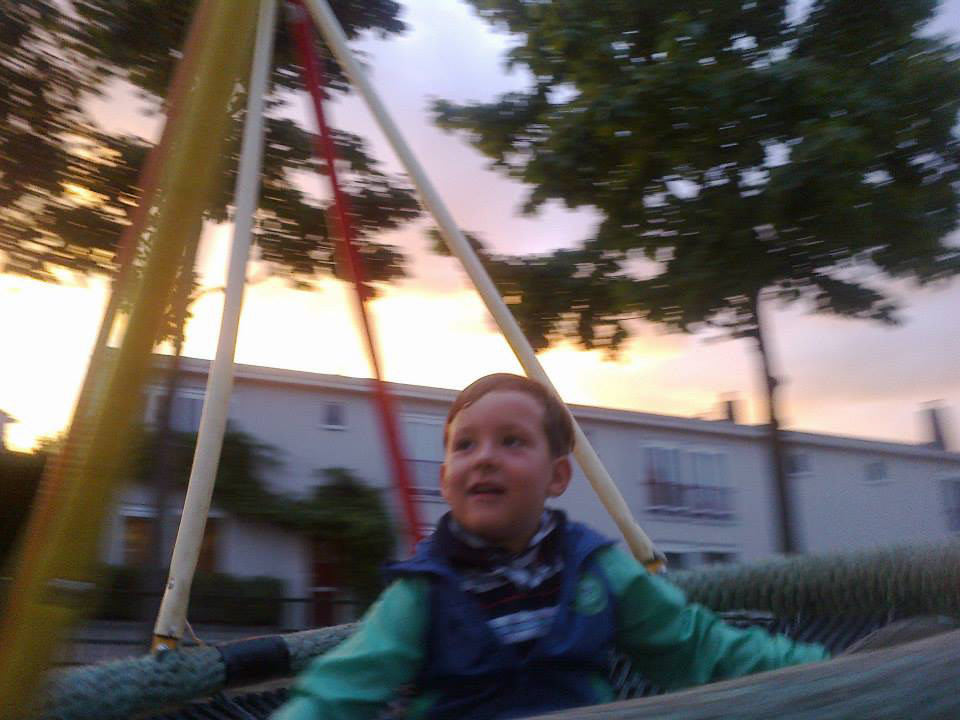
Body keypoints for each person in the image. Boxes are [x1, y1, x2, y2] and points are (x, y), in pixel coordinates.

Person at [274, 374, 829, 720]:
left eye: (511, 441)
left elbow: (698, 649)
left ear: (557, 475)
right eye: (465, 446)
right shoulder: (424, 593)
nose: (484, 457)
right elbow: (342, 688)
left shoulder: (596, 571)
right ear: (446, 481)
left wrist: (823, 671)